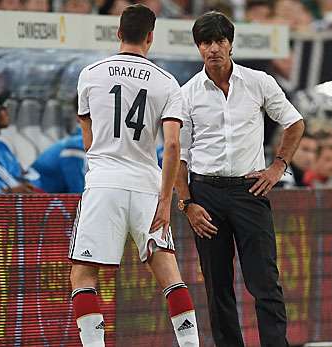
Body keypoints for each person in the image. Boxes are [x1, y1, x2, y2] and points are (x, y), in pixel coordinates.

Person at [69, 5, 199, 347]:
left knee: (83, 276)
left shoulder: (90, 73)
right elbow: (172, 145)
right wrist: (166, 199)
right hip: (146, 187)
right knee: (170, 276)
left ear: (118, 33)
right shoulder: (167, 82)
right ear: (151, 37)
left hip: (103, 184)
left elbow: (88, 137)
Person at [175, 11, 304, 347]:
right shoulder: (187, 93)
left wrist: (278, 166)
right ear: (198, 47)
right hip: (205, 193)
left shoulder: (258, 81)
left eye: (219, 40)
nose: (213, 48)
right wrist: (187, 203)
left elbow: (294, 122)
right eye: (205, 42)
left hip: (250, 189)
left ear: (231, 43)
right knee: (217, 285)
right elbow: (179, 155)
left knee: (265, 281)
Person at [28, 129, 85, 193]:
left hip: (46, 188)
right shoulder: (77, 144)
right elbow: (75, 183)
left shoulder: (77, 141)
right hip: (38, 190)